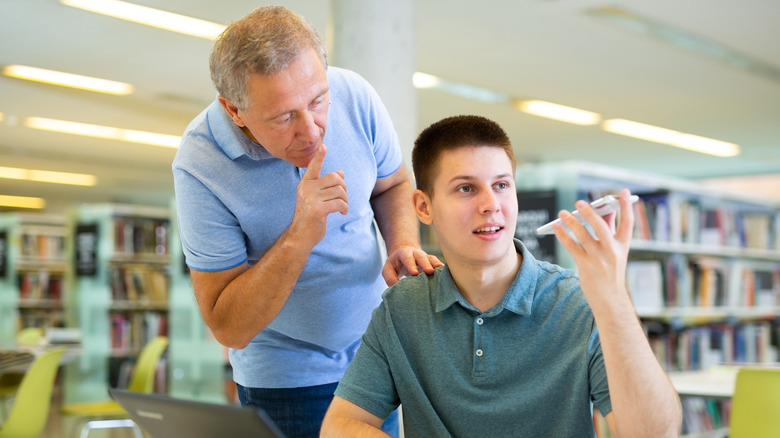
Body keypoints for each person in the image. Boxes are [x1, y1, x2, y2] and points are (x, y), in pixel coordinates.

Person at [320, 115, 682, 437]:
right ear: (424, 207)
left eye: (501, 185)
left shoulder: (578, 300)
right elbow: (339, 425)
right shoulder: (403, 308)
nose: (490, 204)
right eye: (466, 188)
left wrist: (614, 300)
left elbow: (655, 433)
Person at [171, 6, 441, 437]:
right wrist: (300, 236)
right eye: (283, 117)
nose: (313, 131)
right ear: (234, 110)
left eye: (317, 100)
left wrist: (401, 244)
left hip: (374, 354)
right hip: (286, 380)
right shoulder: (199, 164)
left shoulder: (354, 95)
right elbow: (229, 326)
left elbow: (391, 184)